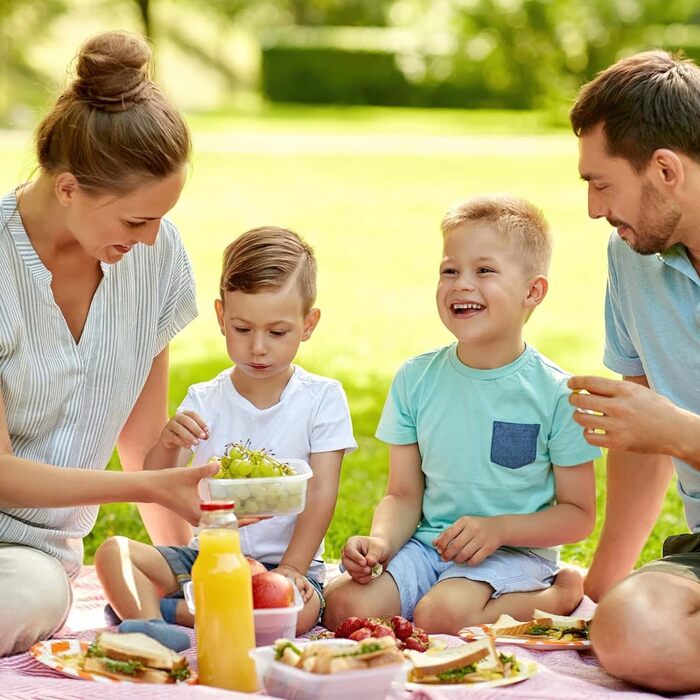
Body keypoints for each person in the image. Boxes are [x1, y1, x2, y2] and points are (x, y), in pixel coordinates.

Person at [0, 30, 221, 658]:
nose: (151, 240)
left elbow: (143, 452)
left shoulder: (155, 261)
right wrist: (147, 488)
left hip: (27, 558)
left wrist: (194, 571)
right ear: (67, 187)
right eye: (135, 220)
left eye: (159, 219)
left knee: (25, 599)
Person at [323, 195, 600, 635]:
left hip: (514, 552)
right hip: (430, 545)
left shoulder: (556, 394)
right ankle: (444, 593)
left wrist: (499, 529)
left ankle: (559, 594)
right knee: (341, 604)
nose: (461, 284)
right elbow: (403, 494)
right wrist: (379, 543)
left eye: (484, 270)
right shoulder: (416, 378)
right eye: (449, 270)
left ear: (533, 291)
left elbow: (578, 514)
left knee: (440, 616)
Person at [94, 227, 357, 639]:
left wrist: (292, 567)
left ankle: (168, 614)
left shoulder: (323, 398)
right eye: (242, 329)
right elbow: (154, 481)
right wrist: (168, 442)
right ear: (220, 317)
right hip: (210, 560)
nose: (257, 347)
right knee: (114, 553)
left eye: (277, 332)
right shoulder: (205, 398)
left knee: (297, 614)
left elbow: (321, 494)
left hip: (285, 567)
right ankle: (153, 623)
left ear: (308, 324)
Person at [569, 50, 700, 692]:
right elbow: (638, 434)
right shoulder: (633, 258)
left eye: (603, 184)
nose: (596, 209)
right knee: (629, 627)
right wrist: (601, 587)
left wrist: (680, 432)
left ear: (666, 170)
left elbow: (663, 431)